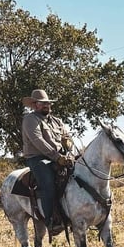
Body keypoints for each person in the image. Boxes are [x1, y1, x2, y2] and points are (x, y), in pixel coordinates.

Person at [21, 89, 73, 234]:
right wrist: (57, 157)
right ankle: (51, 222)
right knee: (48, 183)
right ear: (34, 105)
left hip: (61, 156)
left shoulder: (57, 121)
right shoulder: (30, 120)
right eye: (42, 103)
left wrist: (68, 146)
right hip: (38, 158)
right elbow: (39, 142)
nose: (46, 105)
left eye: (47, 103)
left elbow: (67, 136)